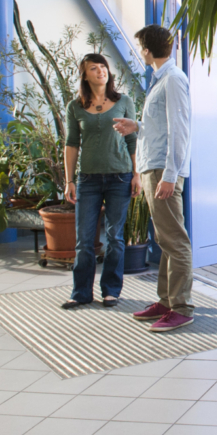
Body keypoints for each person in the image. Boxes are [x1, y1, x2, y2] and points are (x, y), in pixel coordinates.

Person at [113, 25, 193, 332]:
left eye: (140, 48)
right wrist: (139, 125)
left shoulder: (173, 79)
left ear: (147, 50)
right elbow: (163, 125)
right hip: (154, 166)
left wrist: (170, 175)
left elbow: (180, 130)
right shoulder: (162, 79)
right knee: (164, 238)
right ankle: (166, 301)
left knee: (175, 240)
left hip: (163, 170)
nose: (139, 52)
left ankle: (182, 306)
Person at [61, 53, 140, 310]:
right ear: (85, 75)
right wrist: (69, 180)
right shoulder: (75, 106)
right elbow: (71, 144)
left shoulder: (124, 101)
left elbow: (132, 141)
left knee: (115, 237)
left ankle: (111, 291)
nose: (100, 71)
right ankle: (81, 292)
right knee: (84, 240)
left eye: (103, 67)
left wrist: (136, 173)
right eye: (93, 68)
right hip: (88, 180)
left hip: (120, 176)